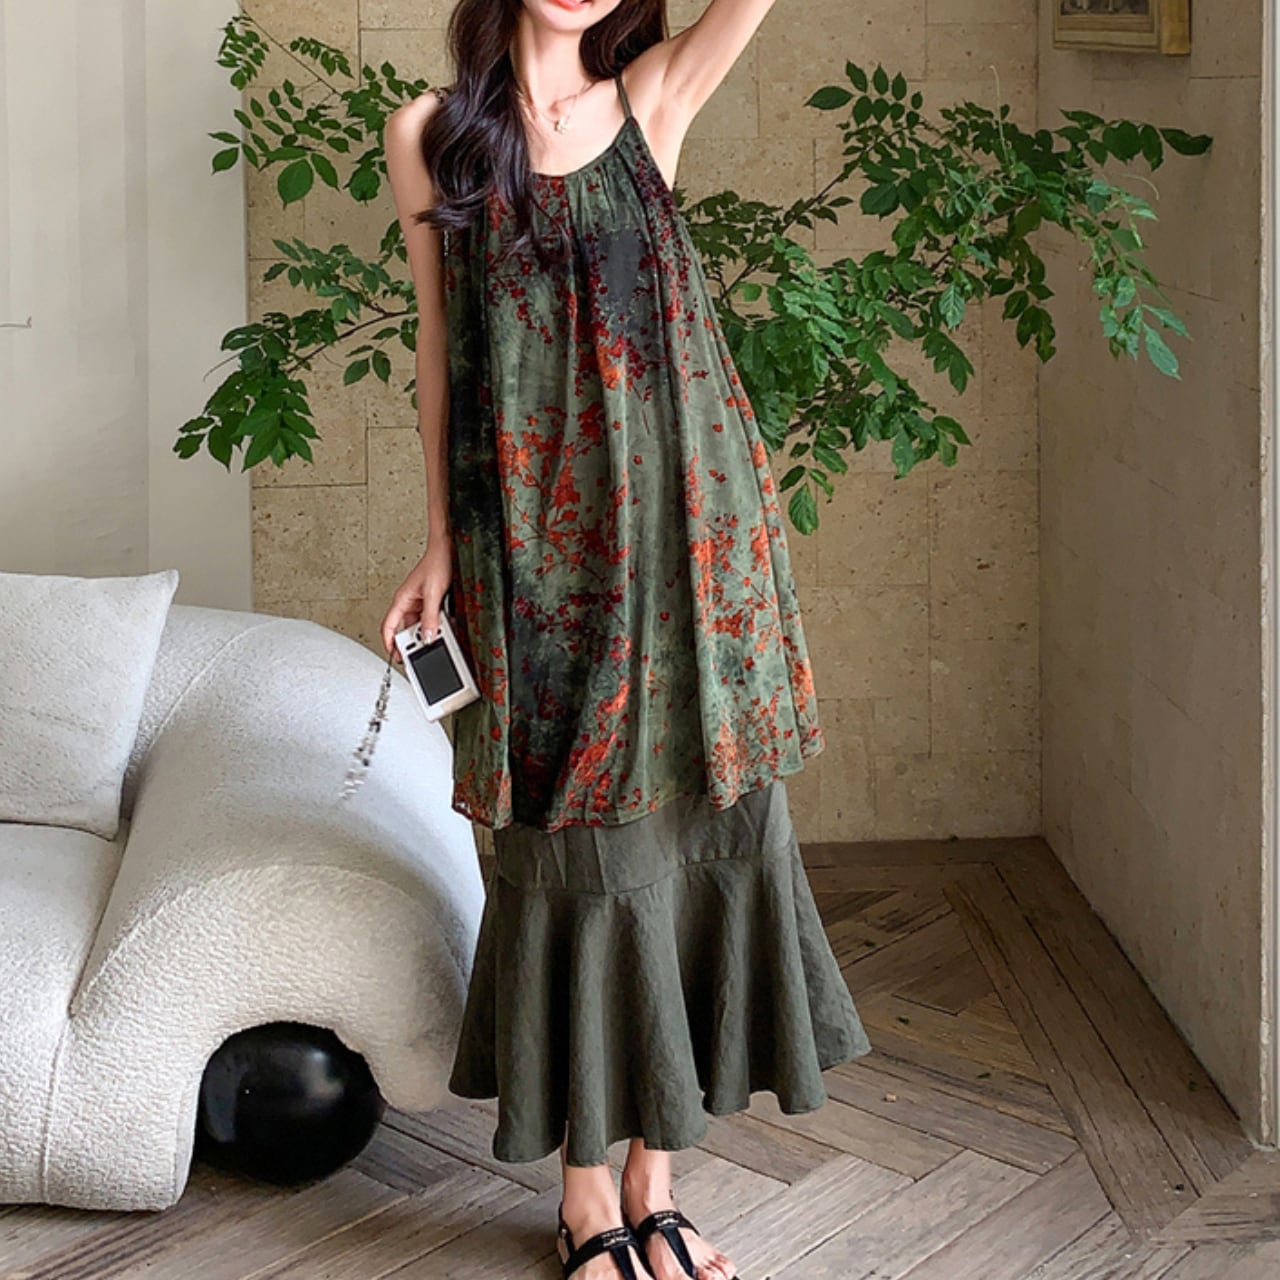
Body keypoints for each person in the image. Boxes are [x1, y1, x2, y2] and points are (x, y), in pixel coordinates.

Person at [380, 3, 872, 1277]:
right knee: (570, 852)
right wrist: (438, 540)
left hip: (687, 535)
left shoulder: (652, 97)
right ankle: (582, 1191)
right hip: (531, 549)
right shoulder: (431, 135)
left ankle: (655, 1179)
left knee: (702, 826)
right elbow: (439, 343)